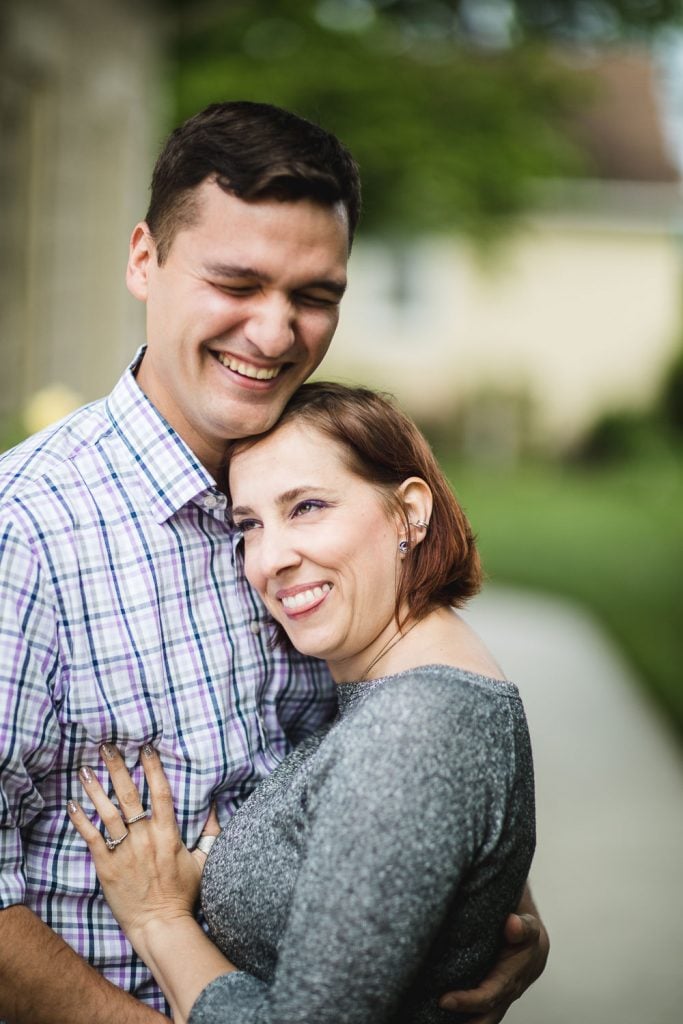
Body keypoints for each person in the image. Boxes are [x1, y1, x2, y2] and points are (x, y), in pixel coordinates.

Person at [0, 102, 547, 1023]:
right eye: (236, 282)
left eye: (313, 295)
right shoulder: (26, 531)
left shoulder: (328, 517)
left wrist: (479, 903)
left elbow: (385, 772)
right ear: (145, 259)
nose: (274, 331)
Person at [69, 381, 537, 1024]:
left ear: (410, 513)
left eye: (308, 507)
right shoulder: (409, 692)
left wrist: (160, 922)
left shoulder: (409, 732)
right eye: (250, 525)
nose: (270, 559)